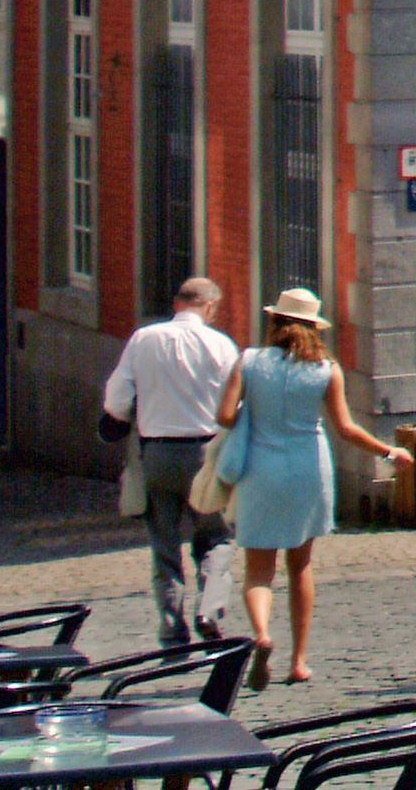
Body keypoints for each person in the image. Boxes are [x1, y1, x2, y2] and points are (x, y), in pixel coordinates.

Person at [215, 288, 409, 690]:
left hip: (260, 470)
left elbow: (224, 415)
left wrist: (251, 409)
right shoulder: (326, 369)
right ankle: (299, 660)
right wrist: (389, 450)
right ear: (314, 328)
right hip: (308, 468)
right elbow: (345, 428)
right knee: (300, 564)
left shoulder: (249, 362)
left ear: (275, 323)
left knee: (258, 571)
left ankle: (262, 633)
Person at [103, 276, 238, 646]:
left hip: (158, 453)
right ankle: (209, 607)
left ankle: (171, 627)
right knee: (216, 537)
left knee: (164, 544)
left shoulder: (144, 339)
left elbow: (116, 401)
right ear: (210, 307)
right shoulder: (221, 345)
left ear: (177, 303)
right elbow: (236, 405)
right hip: (206, 453)